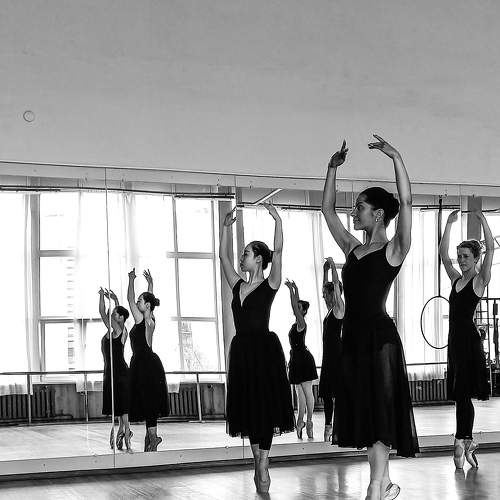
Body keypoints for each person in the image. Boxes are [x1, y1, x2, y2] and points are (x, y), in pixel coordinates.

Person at [322, 135, 419, 500]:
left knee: (379, 412)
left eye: (360, 207)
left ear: (378, 214)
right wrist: (331, 169)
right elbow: (327, 211)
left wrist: (396, 157)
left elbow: (406, 202)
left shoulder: (394, 249)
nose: (354, 213)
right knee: (367, 411)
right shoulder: (352, 247)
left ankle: (375, 486)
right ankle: (386, 481)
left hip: (380, 338)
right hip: (353, 339)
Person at [220, 203, 295, 494]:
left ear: (259, 259)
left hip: (264, 352)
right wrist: (225, 229)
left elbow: (280, 251)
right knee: (249, 407)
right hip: (242, 354)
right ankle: (258, 460)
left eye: (246, 254)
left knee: (264, 406)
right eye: (243, 254)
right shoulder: (237, 286)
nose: (241, 258)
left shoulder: (270, 284)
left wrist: (277, 221)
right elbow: (223, 257)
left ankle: (263, 460)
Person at [439, 209, 494, 468]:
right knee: (460, 395)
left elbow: (491, 250)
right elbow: (443, 255)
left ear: (475, 259)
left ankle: (461, 440)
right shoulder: (455, 280)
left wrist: (483, 222)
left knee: (463, 393)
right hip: (455, 343)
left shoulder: (479, 281)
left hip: (469, 343)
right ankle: (467, 441)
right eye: (459, 256)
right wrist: (448, 225)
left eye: (465, 257)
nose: (461, 260)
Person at [127, 268, 169, 452]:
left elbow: (129, 299)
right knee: (148, 399)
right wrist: (150, 284)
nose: (137, 303)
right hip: (146, 362)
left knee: (148, 399)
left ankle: (152, 438)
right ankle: (151, 439)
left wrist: (131, 280)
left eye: (140, 301)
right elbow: (149, 299)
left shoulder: (142, 320)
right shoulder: (150, 318)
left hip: (143, 363)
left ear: (147, 305)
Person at [98, 287, 132, 451]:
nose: (112, 316)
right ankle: (122, 431)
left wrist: (115, 300)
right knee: (116, 406)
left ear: (121, 318)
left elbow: (110, 317)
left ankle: (126, 432)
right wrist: (101, 297)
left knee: (122, 405)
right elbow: (102, 313)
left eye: (116, 314)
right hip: (109, 373)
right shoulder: (110, 332)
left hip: (120, 373)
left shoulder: (121, 331)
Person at [284, 279, 318, 439]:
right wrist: (296, 289)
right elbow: (295, 305)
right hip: (296, 359)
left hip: (303, 360)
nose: (296, 309)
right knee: (300, 395)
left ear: (303, 312)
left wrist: (291, 290)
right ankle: (300, 421)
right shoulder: (296, 323)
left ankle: (309, 421)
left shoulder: (301, 323)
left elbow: (294, 305)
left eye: (299, 308)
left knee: (307, 392)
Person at [318, 257, 344, 442]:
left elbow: (335, 284)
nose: (323, 296)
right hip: (328, 357)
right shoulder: (329, 310)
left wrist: (334, 267)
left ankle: (339, 428)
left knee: (338, 394)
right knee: (327, 393)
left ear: (333, 293)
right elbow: (326, 286)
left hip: (337, 357)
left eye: (326, 294)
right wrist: (325, 271)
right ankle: (328, 426)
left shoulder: (339, 308)